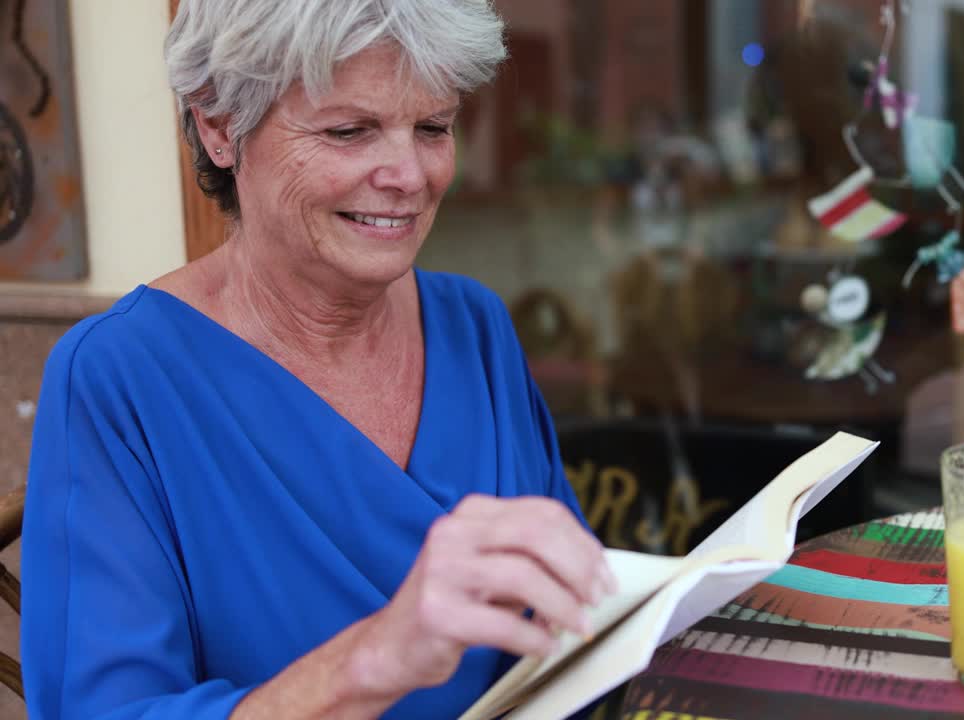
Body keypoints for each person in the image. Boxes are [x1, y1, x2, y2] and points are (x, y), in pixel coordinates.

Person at [20, 1, 616, 718]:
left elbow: (579, 621)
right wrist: (372, 661)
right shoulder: (120, 376)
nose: (408, 175)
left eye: (433, 127)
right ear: (218, 127)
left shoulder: (473, 325)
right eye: (348, 131)